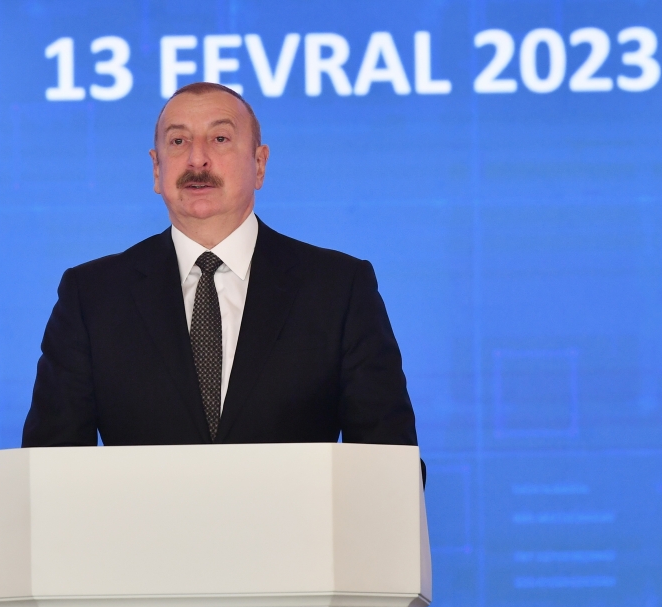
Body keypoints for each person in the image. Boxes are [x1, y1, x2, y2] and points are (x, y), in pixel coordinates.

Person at [22, 82, 420, 480]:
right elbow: (48, 473)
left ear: (259, 164)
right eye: (178, 141)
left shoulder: (338, 289)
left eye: (220, 139)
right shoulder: (92, 296)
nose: (197, 158)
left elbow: (389, 468)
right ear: (157, 169)